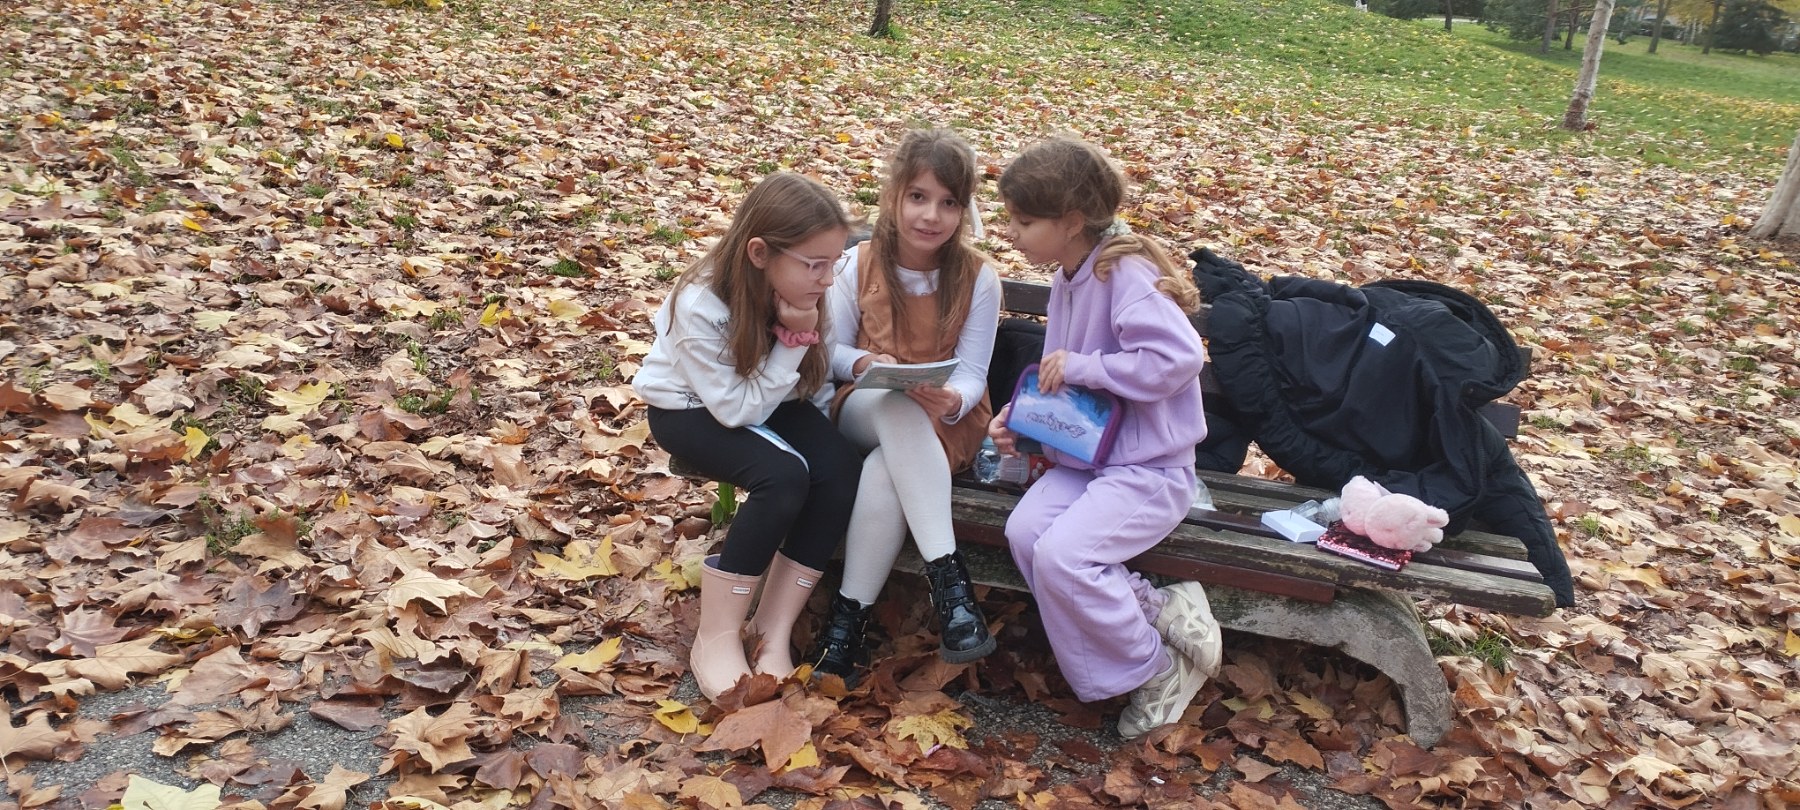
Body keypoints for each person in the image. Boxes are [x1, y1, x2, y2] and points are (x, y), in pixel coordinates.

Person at [989, 136, 1223, 739]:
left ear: (1070, 221)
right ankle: (1159, 610)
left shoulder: (1124, 273)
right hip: (1088, 460)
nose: (1011, 232)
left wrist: (1087, 367)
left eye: (1024, 221)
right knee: (1025, 533)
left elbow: (1177, 358)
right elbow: (1058, 372)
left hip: (1150, 469)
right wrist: (1017, 419)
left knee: (1066, 557)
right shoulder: (1070, 275)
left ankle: (1158, 669)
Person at [632, 172, 863, 701]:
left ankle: (772, 629)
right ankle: (716, 637)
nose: (829, 279)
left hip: (768, 399)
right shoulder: (699, 302)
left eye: (835, 262)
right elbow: (736, 410)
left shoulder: (805, 289)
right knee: (782, 477)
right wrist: (793, 342)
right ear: (760, 253)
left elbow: (802, 387)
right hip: (690, 410)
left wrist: (807, 351)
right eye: (815, 264)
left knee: (838, 470)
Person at [806, 129, 1003, 680]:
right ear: (894, 195)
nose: (931, 215)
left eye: (948, 203)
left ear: (963, 211)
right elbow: (829, 349)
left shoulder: (978, 277)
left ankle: (845, 630)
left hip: (945, 420)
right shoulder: (858, 263)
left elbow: (973, 372)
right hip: (866, 405)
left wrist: (954, 398)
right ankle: (951, 586)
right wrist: (864, 363)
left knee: (883, 468)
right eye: (918, 196)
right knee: (895, 407)